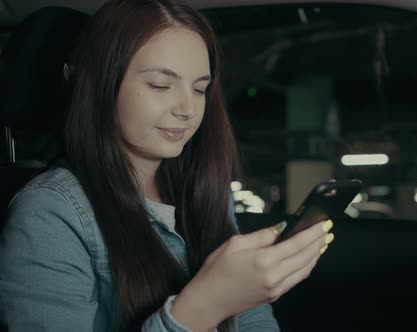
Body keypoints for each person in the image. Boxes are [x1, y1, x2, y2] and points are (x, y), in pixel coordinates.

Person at [0, 0, 335, 331]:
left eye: (200, 89)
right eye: (161, 85)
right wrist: (207, 302)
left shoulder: (207, 189)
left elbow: (253, 321)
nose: (188, 108)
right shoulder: (50, 212)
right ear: (101, 85)